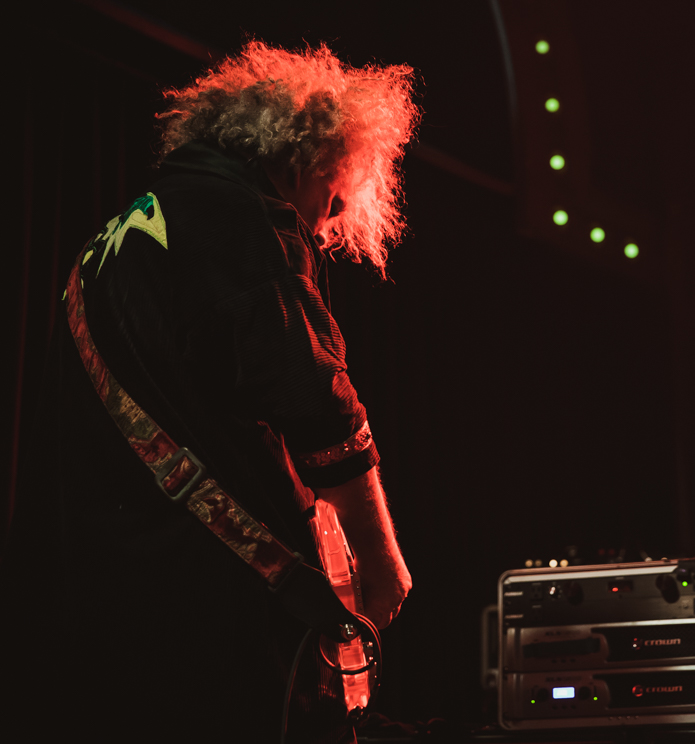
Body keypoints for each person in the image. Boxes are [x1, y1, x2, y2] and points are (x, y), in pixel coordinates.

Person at [1, 42, 418, 743]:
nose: (324, 232)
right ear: (310, 160)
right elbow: (315, 393)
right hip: (204, 616)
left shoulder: (115, 237)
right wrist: (382, 563)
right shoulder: (238, 215)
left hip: (91, 612)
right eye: (333, 203)